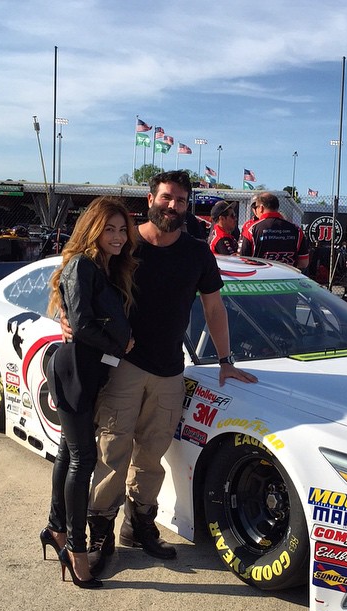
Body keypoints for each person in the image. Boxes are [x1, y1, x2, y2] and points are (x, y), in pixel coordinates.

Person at [62, 171, 258, 575]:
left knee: (151, 457)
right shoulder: (124, 243)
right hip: (123, 366)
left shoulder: (197, 253)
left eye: (181, 200)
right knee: (112, 454)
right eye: (167, 197)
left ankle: (139, 527)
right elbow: (79, 274)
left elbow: (214, 307)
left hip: (170, 371)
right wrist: (66, 317)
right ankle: (100, 534)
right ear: (150, 198)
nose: (173, 206)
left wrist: (225, 360)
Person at [41, 196, 136, 589]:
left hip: (90, 370)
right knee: (83, 460)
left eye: (122, 229)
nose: (117, 236)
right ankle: (76, 551)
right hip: (75, 369)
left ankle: (55, 528)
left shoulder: (107, 267)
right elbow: (81, 326)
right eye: (108, 229)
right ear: (92, 230)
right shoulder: (82, 264)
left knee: (69, 452)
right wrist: (120, 346)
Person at [239, 192, 309, 269]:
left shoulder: (251, 229)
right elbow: (303, 263)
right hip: (287, 274)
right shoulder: (297, 230)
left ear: (261, 208)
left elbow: (243, 260)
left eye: (256, 207)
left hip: (259, 275)